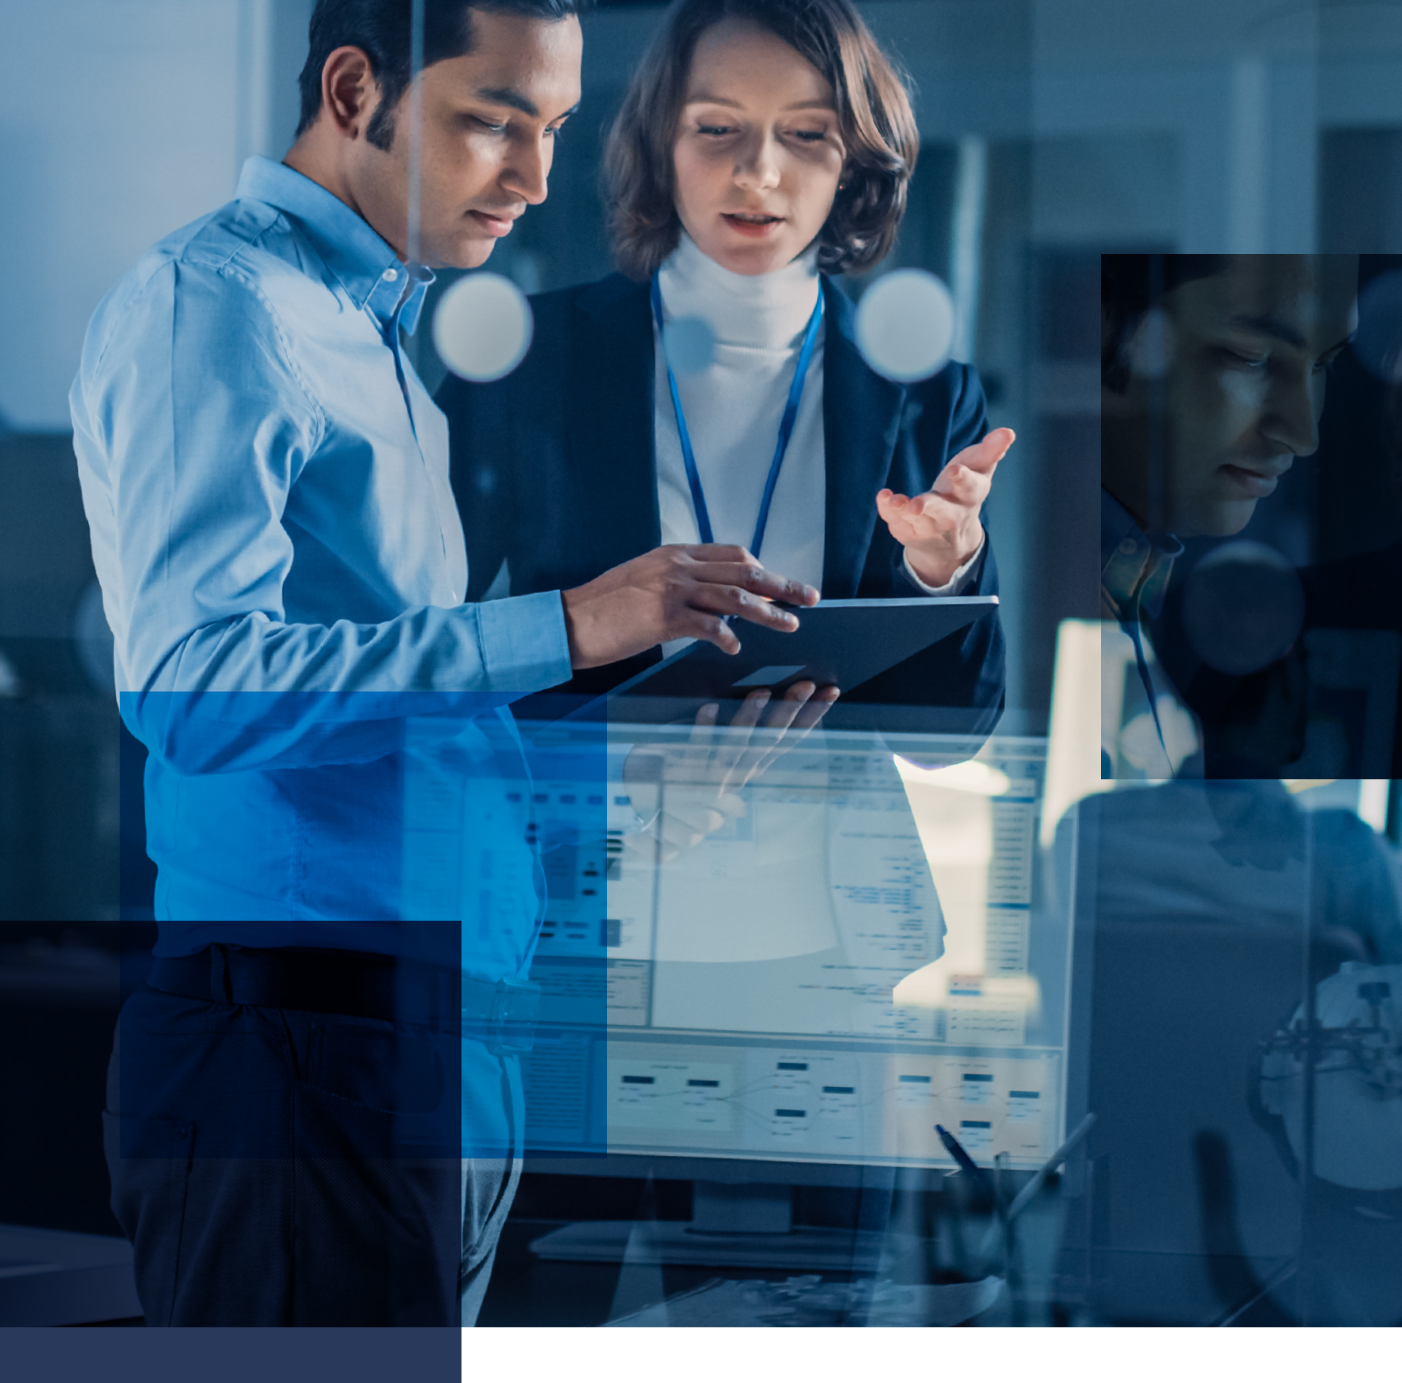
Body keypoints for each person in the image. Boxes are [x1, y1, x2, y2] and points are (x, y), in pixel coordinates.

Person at [71, 0, 823, 1327]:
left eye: (552, 130)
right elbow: (192, 684)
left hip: (429, 1039)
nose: (534, 180)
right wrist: (572, 623)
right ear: (355, 90)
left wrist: (628, 813)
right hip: (300, 1051)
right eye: (492, 120)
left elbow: (394, 736)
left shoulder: (371, 337)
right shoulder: (218, 305)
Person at [437, 0, 1012, 733]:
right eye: (717, 129)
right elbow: (413, 652)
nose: (758, 172)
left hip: (833, 843)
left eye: (806, 134)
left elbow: (953, 737)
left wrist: (946, 568)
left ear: (852, 162)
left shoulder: (931, 395)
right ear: (661, 144)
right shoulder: (528, 363)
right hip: (587, 836)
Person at [1100, 253, 1357, 778]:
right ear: (1108, 336)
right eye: (1250, 357)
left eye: (1322, 365)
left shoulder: (1135, 574)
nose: (1303, 436)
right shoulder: (1037, 568)